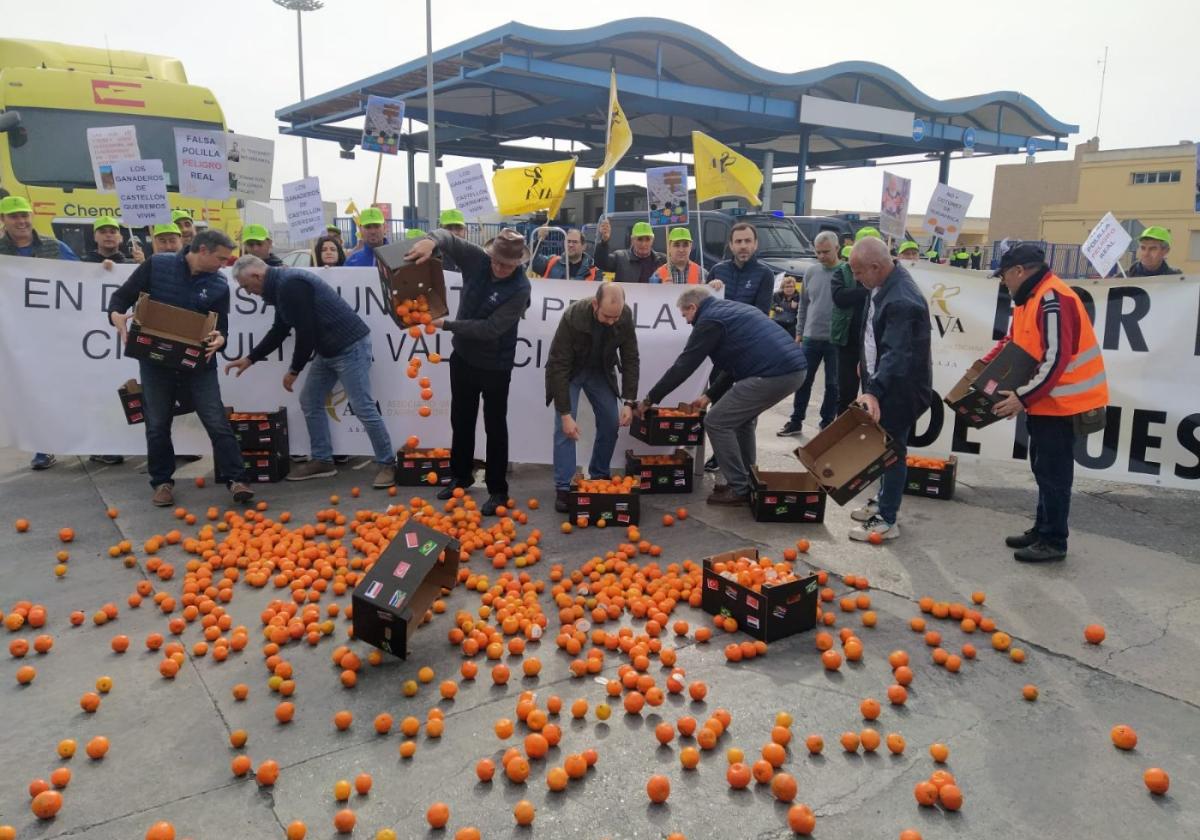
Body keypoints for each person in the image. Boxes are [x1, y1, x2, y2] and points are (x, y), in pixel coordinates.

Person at [106, 229, 254, 507]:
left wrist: (220, 340)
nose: (224, 264)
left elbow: (221, 329)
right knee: (158, 423)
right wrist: (115, 316)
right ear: (203, 251)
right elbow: (120, 298)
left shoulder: (219, 285)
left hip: (199, 365)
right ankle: (162, 482)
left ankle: (237, 479)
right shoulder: (157, 265)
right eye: (221, 258)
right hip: (155, 362)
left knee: (216, 420)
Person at [224, 257, 396, 489]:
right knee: (310, 400)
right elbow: (280, 329)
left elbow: (306, 331)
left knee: (362, 406)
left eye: (246, 286)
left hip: (349, 346)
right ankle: (323, 460)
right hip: (327, 349)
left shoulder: (290, 284)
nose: (248, 292)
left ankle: (387, 463)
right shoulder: (278, 288)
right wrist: (250, 358)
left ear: (256, 276)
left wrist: (294, 369)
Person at [987, 243, 1109, 562]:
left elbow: (1056, 360)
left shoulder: (1053, 298)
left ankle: (1054, 540)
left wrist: (1021, 398)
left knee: (1054, 473)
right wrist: (983, 367)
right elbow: (1013, 343)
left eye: (1004, 275)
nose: (1004, 282)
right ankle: (1043, 528)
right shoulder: (1028, 298)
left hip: (1064, 404)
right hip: (1045, 403)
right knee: (1042, 468)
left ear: (1019, 271)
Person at [405, 228, 532, 516]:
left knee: (495, 425)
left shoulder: (520, 289)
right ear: (490, 255)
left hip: (496, 365)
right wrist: (431, 241)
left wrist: (446, 324)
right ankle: (461, 477)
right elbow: (449, 239)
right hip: (462, 357)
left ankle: (497, 490)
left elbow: (490, 329)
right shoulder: (477, 260)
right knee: (461, 419)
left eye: (507, 265)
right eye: (497, 261)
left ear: (518, 264)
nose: (500, 268)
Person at [641, 286, 806, 505]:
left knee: (716, 422)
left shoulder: (709, 321)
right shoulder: (729, 310)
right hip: (792, 370)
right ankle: (748, 481)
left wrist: (650, 399)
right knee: (742, 422)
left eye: (685, 315)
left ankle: (738, 488)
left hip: (773, 373)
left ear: (693, 307)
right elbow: (733, 363)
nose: (687, 321)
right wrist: (709, 395)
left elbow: (684, 365)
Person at [845, 237, 932, 542]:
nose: (856, 278)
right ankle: (881, 501)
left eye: (858, 272)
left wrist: (874, 389)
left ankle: (888, 518)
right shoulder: (879, 285)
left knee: (892, 450)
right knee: (881, 446)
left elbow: (898, 355)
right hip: (881, 378)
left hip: (899, 388)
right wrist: (865, 365)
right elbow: (871, 331)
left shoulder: (902, 300)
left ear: (876, 266)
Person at [1, 195, 79, 470]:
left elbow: (82, 278)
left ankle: (90, 443)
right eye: (14, 217)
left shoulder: (54, 247)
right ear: (3, 221)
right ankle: (42, 447)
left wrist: (106, 271)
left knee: (68, 388)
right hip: (16, 336)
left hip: (53, 332)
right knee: (31, 391)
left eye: (24, 215)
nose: (21, 221)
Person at [545, 284, 640, 512]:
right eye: (607, 316)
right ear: (595, 304)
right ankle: (564, 487)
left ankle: (599, 476)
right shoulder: (573, 316)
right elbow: (559, 364)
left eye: (615, 317)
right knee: (564, 428)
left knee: (610, 422)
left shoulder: (624, 316)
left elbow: (630, 358)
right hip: (571, 372)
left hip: (600, 372)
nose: (611, 321)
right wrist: (566, 413)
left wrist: (628, 401)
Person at [779, 230, 841, 437]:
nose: (822, 256)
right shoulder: (811, 272)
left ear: (837, 249)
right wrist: (799, 332)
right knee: (803, 381)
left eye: (826, 252)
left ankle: (827, 423)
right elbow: (804, 305)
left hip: (836, 340)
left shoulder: (846, 272)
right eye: (818, 252)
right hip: (810, 337)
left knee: (833, 383)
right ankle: (796, 420)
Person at [707, 223, 774, 314]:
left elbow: (762, 314)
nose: (743, 246)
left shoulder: (765, 274)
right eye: (738, 241)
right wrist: (710, 289)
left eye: (748, 241)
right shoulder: (717, 270)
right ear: (731, 245)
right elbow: (706, 308)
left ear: (755, 244)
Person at [593, 219, 666, 282]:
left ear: (652, 240)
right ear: (632, 240)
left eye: (647, 239)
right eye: (639, 239)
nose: (643, 244)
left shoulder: (662, 260)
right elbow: (601, 263)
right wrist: (604, 242)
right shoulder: (620, 257)